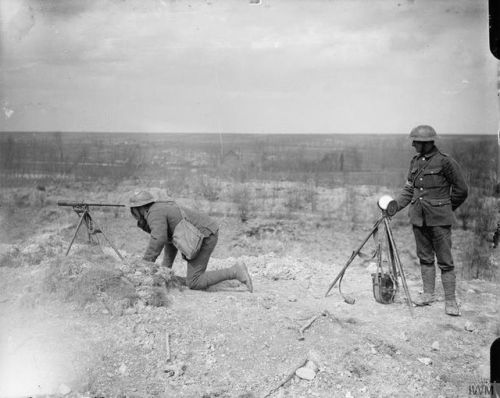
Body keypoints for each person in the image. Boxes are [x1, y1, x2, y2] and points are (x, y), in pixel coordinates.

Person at [395, 125, 468, 316]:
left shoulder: (445, 162)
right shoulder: (415, 162)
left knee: (445, 261)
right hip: (419, 219)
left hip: (439, 220)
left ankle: (450, 301)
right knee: (425, 258)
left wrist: (444, 207)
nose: (413, 144)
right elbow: (409, 190)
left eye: (416, 141)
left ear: (426, 143)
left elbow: (462, 190)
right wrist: (393, 207)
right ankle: (428, 295)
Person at [128, 191, 253, 292]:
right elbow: (170, 241)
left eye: (132, 210)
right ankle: (174, 280)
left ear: (138, 209)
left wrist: (145, 264)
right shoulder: (158, 208)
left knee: (195, 282)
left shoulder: (154, 213)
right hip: (203, 232)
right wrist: (165, 271)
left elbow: (158, 239)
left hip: (204, 235)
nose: (132, 213)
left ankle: (236, 271)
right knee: (188, 279)